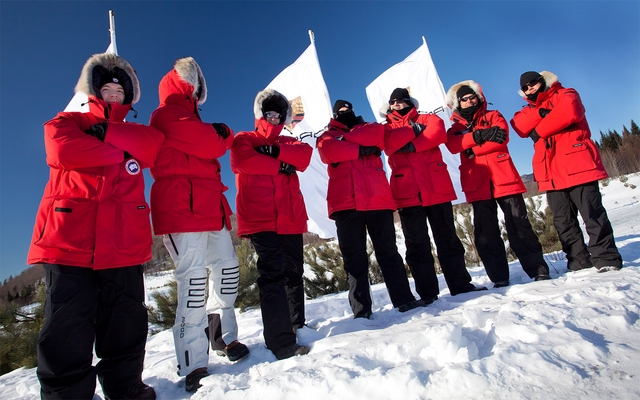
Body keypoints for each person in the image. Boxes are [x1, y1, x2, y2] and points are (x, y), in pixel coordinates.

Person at [27, 53, 163, 400]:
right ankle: (66, 395)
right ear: (93, 90)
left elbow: (152, 148)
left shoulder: (141, 132)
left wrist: (106, 138)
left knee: (125, 321)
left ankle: (125, 385)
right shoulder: (66, 121)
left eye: (120, 87)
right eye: (107, 86)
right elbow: (61, 150)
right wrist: (119, 152)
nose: (114, 91)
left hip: (123, 241)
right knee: (66, 326)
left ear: (129, 94)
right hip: (70, 238)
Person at [148, 57, 249, 392]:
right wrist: (222, 133)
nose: (195, 89)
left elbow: (218, 142)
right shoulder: (164, 114)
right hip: (181, 210)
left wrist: (220, 134)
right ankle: (194, 363)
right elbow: (212, 143)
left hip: (211, 210)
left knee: (228, 273)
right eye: (192, 84)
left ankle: (223, 338)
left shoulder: (193, 119)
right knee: (193, 288)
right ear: (182, 84)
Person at [317, 100, 425, 319]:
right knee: (354, 260)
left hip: (377, 199)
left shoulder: (372, 127)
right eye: (341, 111)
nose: (345, 112)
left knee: (388, 253)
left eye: (348, 109)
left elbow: (374, 135)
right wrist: (362, 149)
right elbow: (328, 152)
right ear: (335, 115)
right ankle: (361, 311)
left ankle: (404, 299)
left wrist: (345, 142)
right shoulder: (325, 136)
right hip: (346, 203)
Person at [510, 71, 623, 273]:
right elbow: (519, 126)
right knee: (563, 221)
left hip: (579, 166)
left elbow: (570, 111)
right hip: (551, 174)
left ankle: (606, 257)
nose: (530, 88)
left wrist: (539, 130)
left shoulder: (565, 94)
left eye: (533, 83)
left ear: (542, 81)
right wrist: (542, 113)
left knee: (592, 215)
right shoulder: (527, 110)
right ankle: (578, 261)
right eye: (526, 87)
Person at [381, 88, 487, 300]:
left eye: (402, 100)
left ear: (410, 101)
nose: (398, 104)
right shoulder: (385, 129)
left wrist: (410, 146)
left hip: (436, 188)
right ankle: (428, 293)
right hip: (408, 193)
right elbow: (389, 146)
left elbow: (437, 134)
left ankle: (460, 285)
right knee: (416, 245)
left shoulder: (429, 118)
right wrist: (415, 132)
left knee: (448, 240)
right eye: (393, 101)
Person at [230, 89, 312, 360]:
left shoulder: (288, 142)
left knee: (293, 273)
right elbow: (241, 160)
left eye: (279, 115)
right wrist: (279, 165)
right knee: (272, 276)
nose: (274, 118)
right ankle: (280, 340)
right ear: (261, 115)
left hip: (289, 217)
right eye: (270, 114)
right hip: (261, 218)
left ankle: (296, 324)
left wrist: (274, 151)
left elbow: (304, 156)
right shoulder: (245, 138)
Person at [444, 81, 551, 288]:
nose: (468, 101)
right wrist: (481, 135)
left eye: (471, 97)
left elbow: (501, 138)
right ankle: (499, 277)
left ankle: (538, 269)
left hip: (505, 179)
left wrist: (472, 148)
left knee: (520, 227)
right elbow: (453, 145)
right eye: (464, 99)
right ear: (458, 103)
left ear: (479, 97)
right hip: (477, 184)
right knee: (487, 234)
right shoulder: (455, 128)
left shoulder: (494, 116)